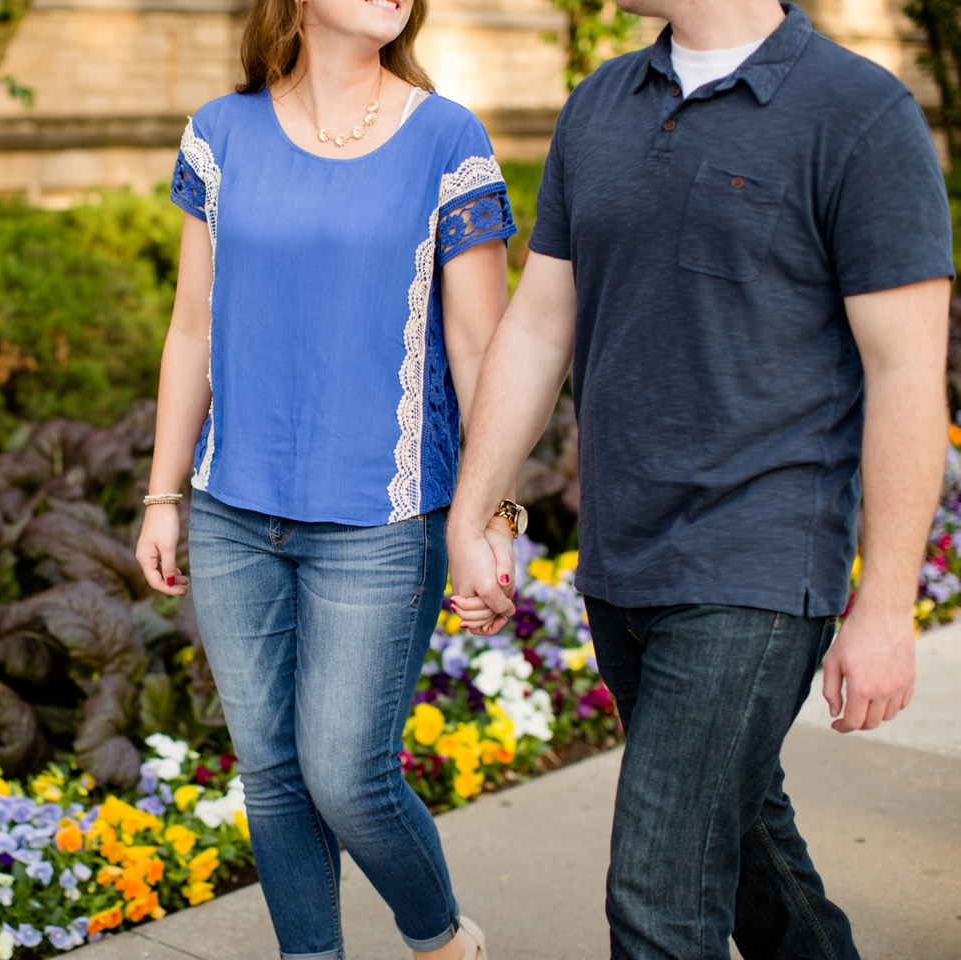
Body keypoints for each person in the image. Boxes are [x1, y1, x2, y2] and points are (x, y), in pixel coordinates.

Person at [446, 0, 953, 957]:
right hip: (624, 561)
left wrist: (885, 608)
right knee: (754, 855)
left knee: (657, 898)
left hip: (757, 564)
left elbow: (904, 375)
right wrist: (476, 510)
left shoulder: (860, 113)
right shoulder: (600, 105)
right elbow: (540, 321)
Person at [132, 0, 518, 955]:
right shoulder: (219, 134)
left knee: (347, 776)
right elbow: (191, 329)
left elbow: (482, 350)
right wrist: (162, 492)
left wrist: (495, 513)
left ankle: (439, 938)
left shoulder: (446, 139)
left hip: (383, 521)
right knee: (270, 773)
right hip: (232, 512)